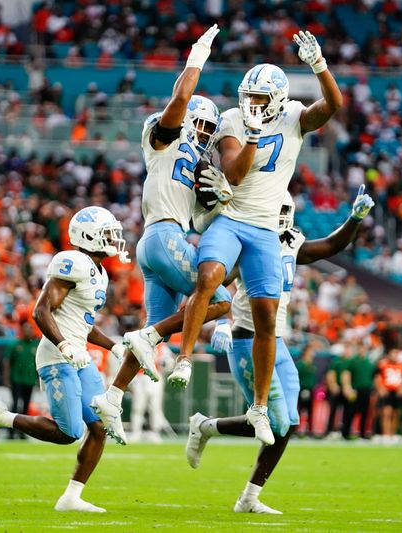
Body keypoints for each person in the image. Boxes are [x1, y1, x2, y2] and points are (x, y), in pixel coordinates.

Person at [175, 30, 344, 446]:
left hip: (266, 228)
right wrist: (251, 133)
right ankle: (183, 359)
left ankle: (259, 406)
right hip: (231, 218)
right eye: (248, 96)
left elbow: (335, 105)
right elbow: (232, 174)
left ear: (281, 100)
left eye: (261, 100)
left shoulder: (294, 118)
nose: (253, 105)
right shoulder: (233, 120)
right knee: (210, 275)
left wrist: (319, 66)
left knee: (268, 318)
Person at [183, 188, 373, 514]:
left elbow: (329, 246)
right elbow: (220, 280)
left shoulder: (290, 240)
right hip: (247, 340)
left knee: (288, 423)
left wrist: (353, 220)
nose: (281, 216)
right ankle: (206, 429)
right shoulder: (249, 237)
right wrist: (224, 323)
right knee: (275, 421)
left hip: (278, 343)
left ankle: (247, 494)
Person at [90, 25, 234, 445]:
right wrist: (196, 58)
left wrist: (221, 200)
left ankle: (113, 397)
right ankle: (148, 336)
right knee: (219, 300)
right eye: (202, 127)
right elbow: (180, 101)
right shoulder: (164, 138)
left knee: (155, 333)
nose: (205, 137)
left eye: (210, 131)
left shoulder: (195, 170)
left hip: (159, 242)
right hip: (164, 238)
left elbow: (204, 224)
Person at [0, 206, 130, 513]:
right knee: (68, 433)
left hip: (79, 355)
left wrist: (113, 346)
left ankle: (72, 496)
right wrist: (65, 345)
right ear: (90, 235)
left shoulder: (100, 272)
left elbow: (82, 324)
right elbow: (40, 311)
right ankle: (1, 417)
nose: (114, 239)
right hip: (58, 356)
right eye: (108, 233)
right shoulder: (74, 263)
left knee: (100, 426)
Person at [4, 322, 39, 438]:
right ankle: (11, 431)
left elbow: (39, 364)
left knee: (25, 406)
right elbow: (7, 363)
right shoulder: (15, 344)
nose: (29, 331)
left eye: (30, 329)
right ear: (22, 331)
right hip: (16, 379)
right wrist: (6, 379)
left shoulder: (36, 345)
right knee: (14, 405)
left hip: (29, 380)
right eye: (26, 329)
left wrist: (39, 379)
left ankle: (23, 431)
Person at [341, 341, 375, 440]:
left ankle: (363, 433)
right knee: (350, 411)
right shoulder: (352, 361)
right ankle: (345, 433)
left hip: (366, 389)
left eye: (364, 348)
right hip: (355, 389)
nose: (362, 350)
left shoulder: (369, 362)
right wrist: (347, 387)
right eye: (360, 348)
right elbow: (346, 374)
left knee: (365, 412)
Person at [376, 349, 402, 443]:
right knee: (386, 413)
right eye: (392, 354)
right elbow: (377, 377)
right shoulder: (383, 365)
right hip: (387, 391)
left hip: (397, 392)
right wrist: (380, 388)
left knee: (395, 414)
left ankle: (393, 435)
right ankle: (386, 434)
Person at [295, 344, 317, 436]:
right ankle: (296, 431)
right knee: (299, 410)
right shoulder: (300, 364)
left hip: (311, 390)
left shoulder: (312, 365)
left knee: (310, 411)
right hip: (302, 389)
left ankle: (309, 430)